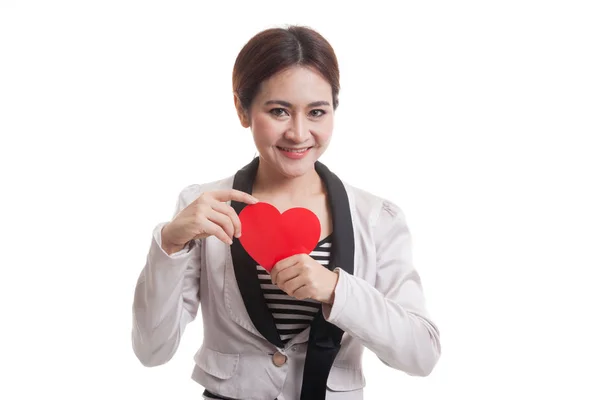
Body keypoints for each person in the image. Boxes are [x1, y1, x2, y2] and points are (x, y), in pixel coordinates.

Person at [131, 25, 441, 400]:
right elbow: (151, 350)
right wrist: (168, 243)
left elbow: (422, 353)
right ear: (242, 110)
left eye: (316, 112)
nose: (298, 133)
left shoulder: (378, 218)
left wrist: (336, 290)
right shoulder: (204, 207)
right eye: (278, 111)